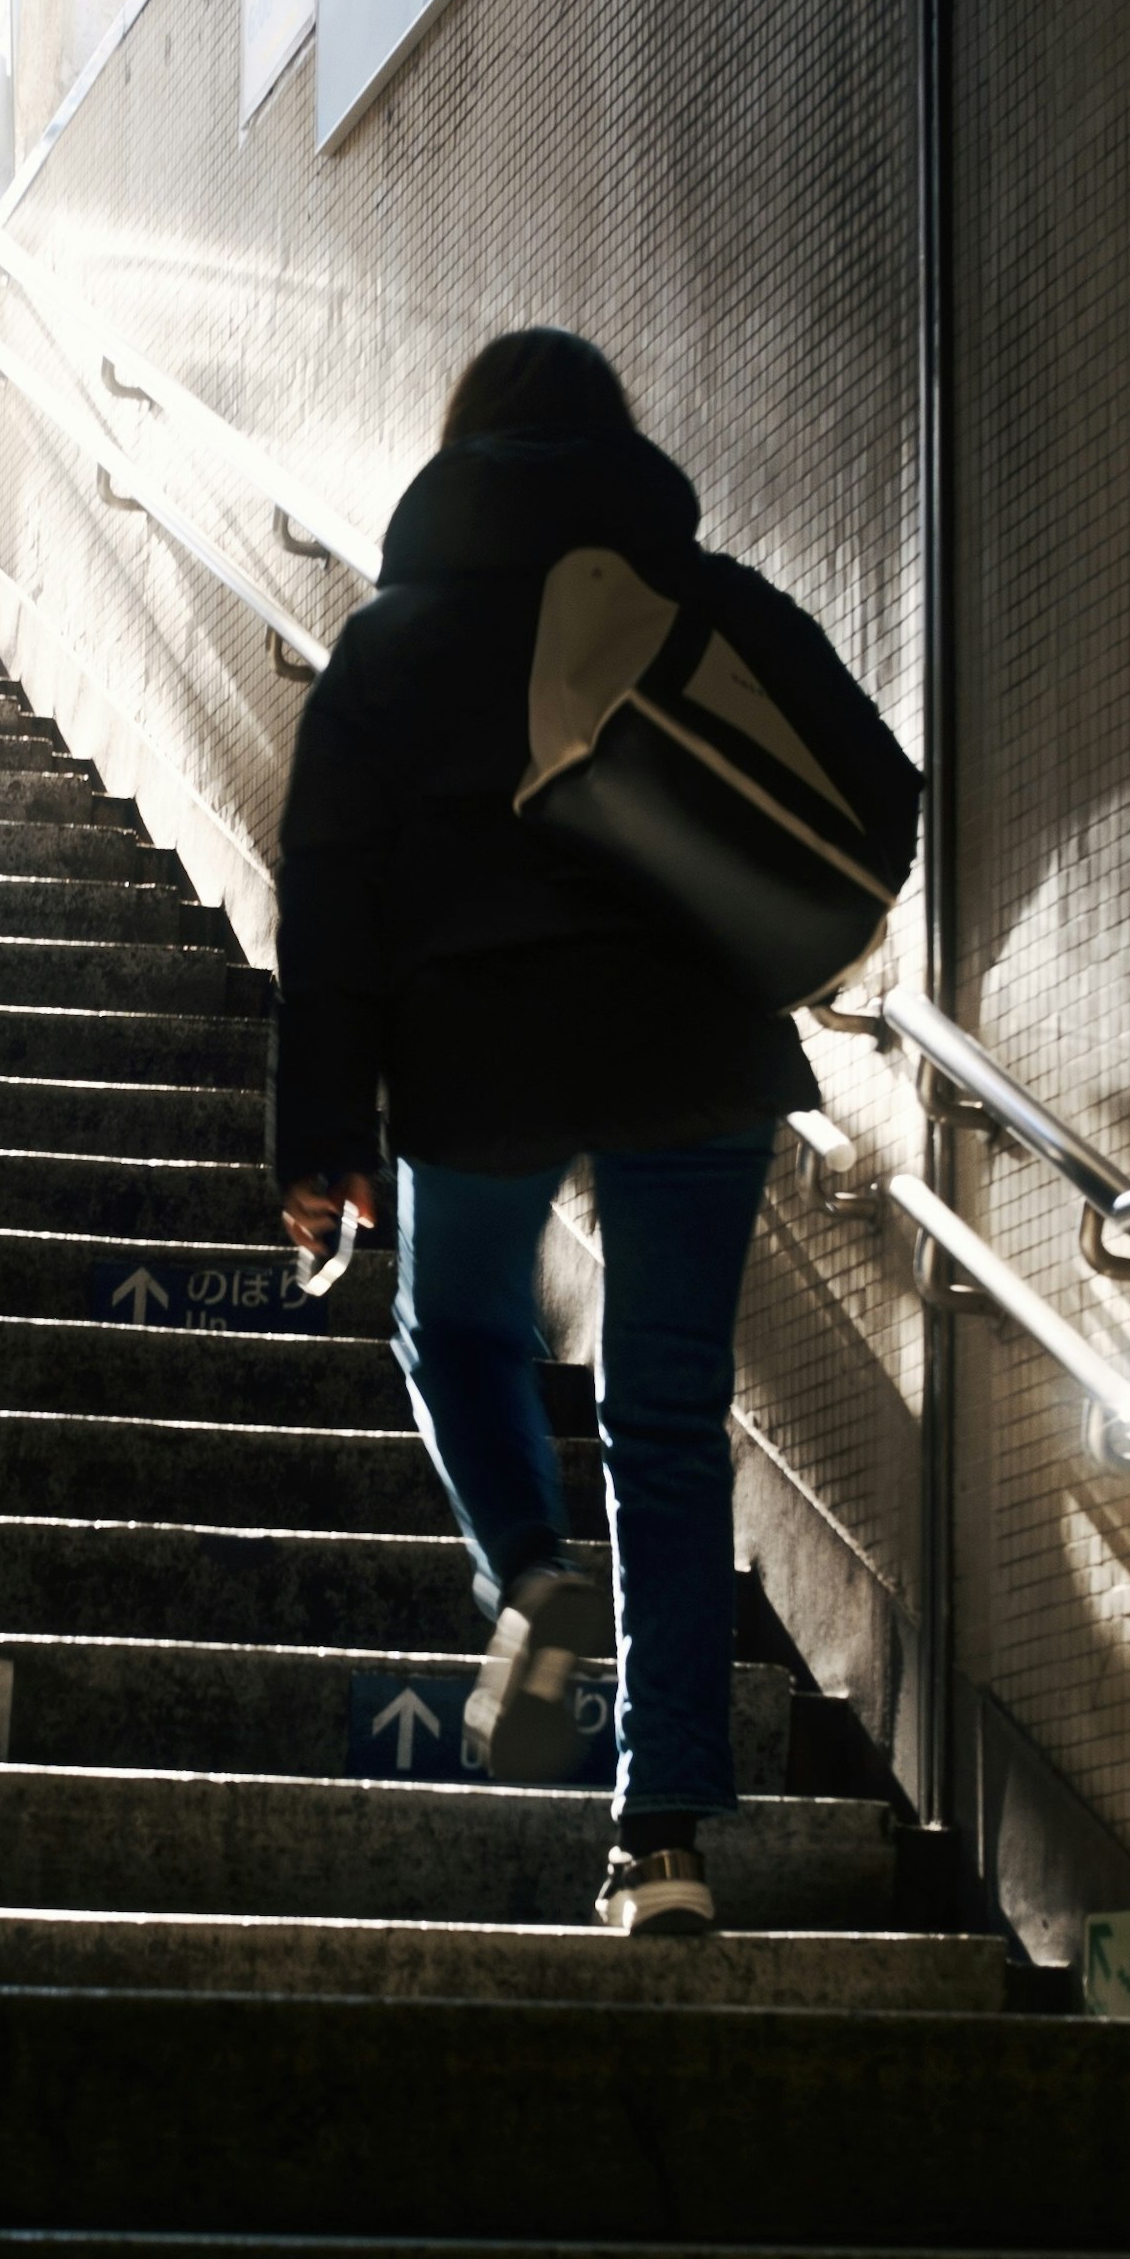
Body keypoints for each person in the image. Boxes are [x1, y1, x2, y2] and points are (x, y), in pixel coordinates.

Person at [270, 326, 868, 1938]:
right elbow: (861, 768)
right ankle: (659, 1841)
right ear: (613, 445)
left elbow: (325, 895)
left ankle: (527, 1565)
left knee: (456, 1326)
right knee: (664, 1423)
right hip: (692, 1049)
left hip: (477, 1057)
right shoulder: (696, 599)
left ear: (457, 455)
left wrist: (320, 1135)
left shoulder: (389, 646)